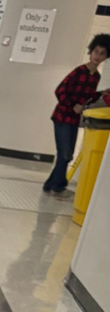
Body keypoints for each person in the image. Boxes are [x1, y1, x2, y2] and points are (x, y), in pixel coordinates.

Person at [42, 33, 110, 195]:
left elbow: (87, 97)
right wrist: (73, 105)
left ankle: (51, 184)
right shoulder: (79, 72)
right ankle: (58, 186)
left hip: (73, 120)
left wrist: (101, 94)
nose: (98, 56)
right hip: (62, 117)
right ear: (90, 52)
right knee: (65, 154)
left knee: (67, 154)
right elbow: (60, 91)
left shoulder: (95, 77)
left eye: (102, 54)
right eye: (96, 52)